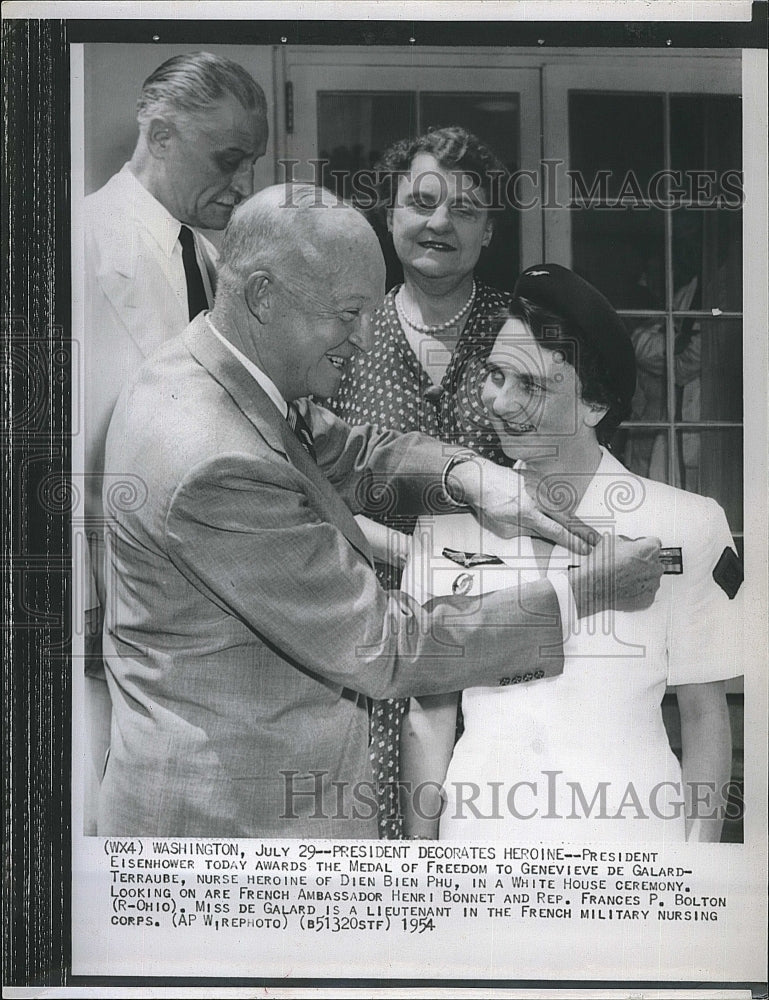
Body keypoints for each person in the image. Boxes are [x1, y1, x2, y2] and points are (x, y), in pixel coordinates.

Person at [96, 186, 663, 838]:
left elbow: (354, 452)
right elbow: (388, 648)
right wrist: (583, 592)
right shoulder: (215, 461)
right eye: (347, 314)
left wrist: (470, 476)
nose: (366, 339)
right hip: (237, 831)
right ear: (261, 294)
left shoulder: (219, 371)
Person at [402, 263, 743, 843]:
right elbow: (428, 721)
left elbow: (705, 717)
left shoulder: (686, 525)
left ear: (595, 405)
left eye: (530, 385)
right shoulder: (447, 527)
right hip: (481, 858)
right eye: (494, 375)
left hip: (631, 857)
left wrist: (698, 872)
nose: (499, 401)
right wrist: (420, 876)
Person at [81, 52, 268, 830]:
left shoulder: (215, 261)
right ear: (160, 133)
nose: (242, 184)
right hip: (102, 611)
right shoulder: (75, 243)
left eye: (250, 164)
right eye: (228, 160)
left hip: (204, 621)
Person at [330, 126, 514, 837]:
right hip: (365, 625)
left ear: (488, 230)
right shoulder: (345, 332)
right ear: (389, 215)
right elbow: (308, 482)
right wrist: (409, 558)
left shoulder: (519, 332)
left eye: (465, 209)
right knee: (373, 833)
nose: (440, 222)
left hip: (497, 624)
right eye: (422, 202)